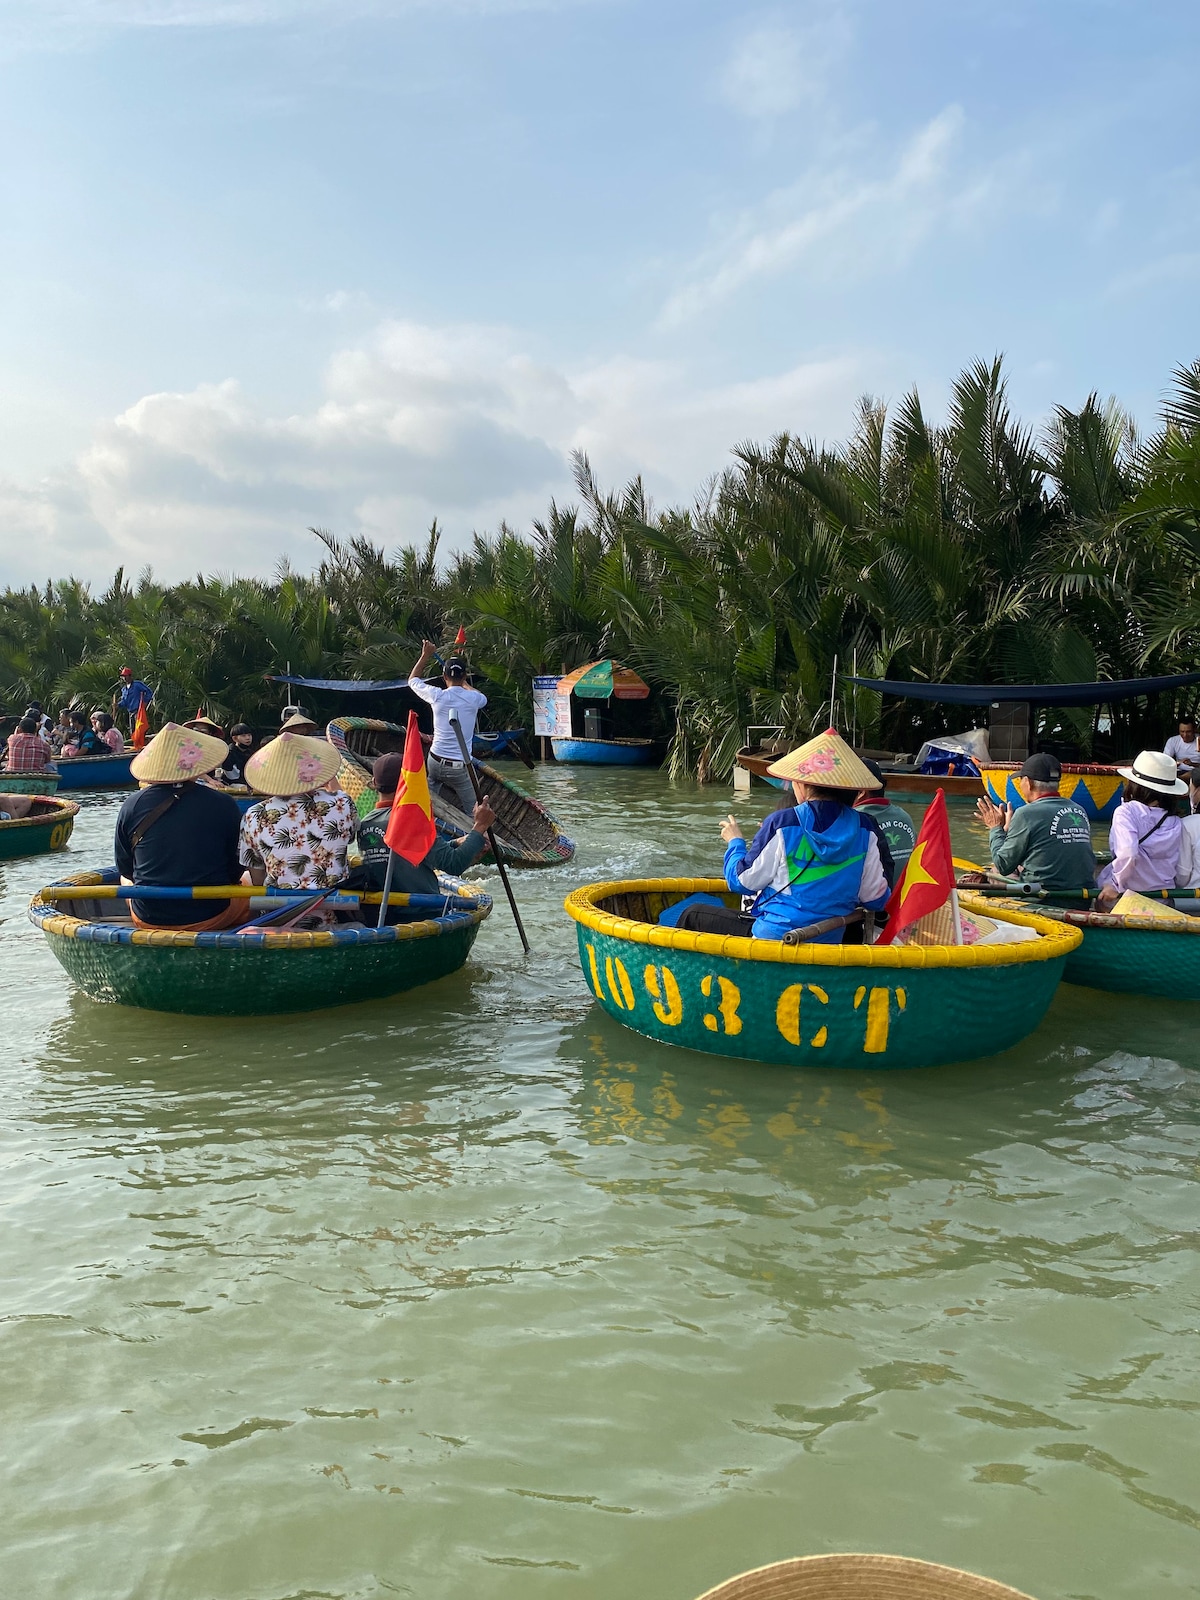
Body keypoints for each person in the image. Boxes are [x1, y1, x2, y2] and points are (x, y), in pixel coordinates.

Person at [673, 729, 890, 942]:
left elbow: (741, 882)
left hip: (775, 938)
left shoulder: (782, 822)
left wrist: (735, 842)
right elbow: (875, 899)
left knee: (693, 914)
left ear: (804, 787)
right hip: (829, 940)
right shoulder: (866, 828)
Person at [114, 723, 244, 930]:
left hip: (149, 916)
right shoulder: (224, 803)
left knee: (123, 880)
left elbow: (126, 868)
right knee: (246, 882)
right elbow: (236, 867)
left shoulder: (132, 804)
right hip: (211, 913)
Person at [343, 752, 496, 922]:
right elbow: (454, 864)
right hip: (423, 913)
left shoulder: (366, 823)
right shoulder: (411, 820)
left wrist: (456, 843)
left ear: (373, 783)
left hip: (384, 914)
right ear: (408, 783)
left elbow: (405, 855)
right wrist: (480, 826)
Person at [239, 732, 357, 892]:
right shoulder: (342, 802)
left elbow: (257, 877)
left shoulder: (254, 815)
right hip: (337, 907)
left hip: (280, 912)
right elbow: (350, 839)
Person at [974, 752, 1096, 890]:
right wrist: (1008, 830)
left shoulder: (1026, 813)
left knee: (994, 872)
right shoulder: (1078, 810)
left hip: (1042, 896)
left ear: (1028, 783)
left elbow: (1003, 865)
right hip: (1082, 894)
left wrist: (995, 828)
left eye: (1021, 781)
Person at [1096, 750, 1186, 907]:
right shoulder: (1175, 821)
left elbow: (1128, 853)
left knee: (1100, 899)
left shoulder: (1126, 812)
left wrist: (1115, 885)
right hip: (1161, 900)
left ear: (1134, 784)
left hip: (1126, 899)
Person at [408, 640, 487, 815]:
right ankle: (473, 832)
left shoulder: (437, 695)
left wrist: (425, 655)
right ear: (465, 677)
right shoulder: (475, 699)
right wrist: (464, 684)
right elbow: (478, 694)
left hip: (434, 761)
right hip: (459, 768)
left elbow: (413, 680)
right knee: (473, 811)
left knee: (431, 788)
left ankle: (426, 811)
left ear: (444, 678)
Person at [855, 758, 916, 883]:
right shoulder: (904, 816)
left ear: (861, 792)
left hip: (876, 899)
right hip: (906, 896)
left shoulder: (854, 820)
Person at [115, 667, 154, 733]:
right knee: (133, 731)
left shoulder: (137, 685)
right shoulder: (124, 690)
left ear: (130, 676)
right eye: (123, 676)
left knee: (140, 730)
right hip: (130, 712)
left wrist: (145, 702)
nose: (124, 678)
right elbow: (125, 701)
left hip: (139, 711)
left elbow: (149, 692)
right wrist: (118, 705)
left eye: (125, 676)